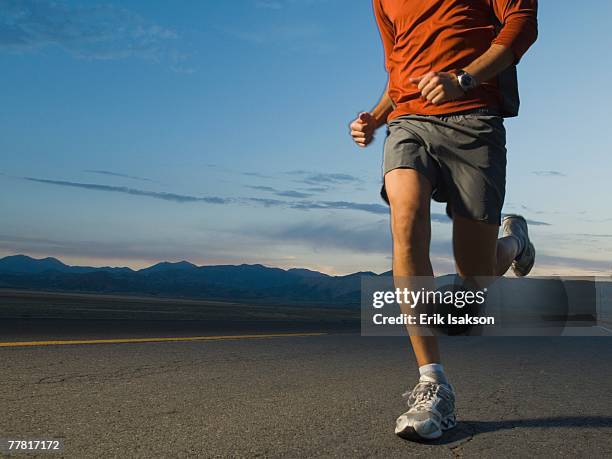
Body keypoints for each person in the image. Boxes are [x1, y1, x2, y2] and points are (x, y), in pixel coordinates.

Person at [349, 0, 538, 442]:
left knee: (473, 278)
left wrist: (463, 79)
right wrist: (376, 117)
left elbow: (522, 25)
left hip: (474, 118)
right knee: (406, 219)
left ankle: (512, 244)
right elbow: (400, 68)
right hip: (409, 122)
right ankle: (433, 383)